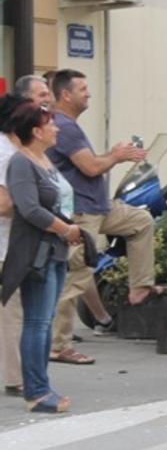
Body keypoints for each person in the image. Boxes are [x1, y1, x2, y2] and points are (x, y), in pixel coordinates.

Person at [48, 69, 159, 366]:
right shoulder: (64, 127)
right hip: (83, 213)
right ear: (65, 95)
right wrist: (117, 155)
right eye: (82, 89)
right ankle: (58, 345)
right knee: (77, 277)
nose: (88, 93)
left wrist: (113, 155)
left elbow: (90, 164)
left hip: (100, 207)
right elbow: (91, 168)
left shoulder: (70, 125)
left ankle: (140, 285)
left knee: (141, 221)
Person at [18, 76, 115, 337]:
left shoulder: (42, 152)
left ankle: (56, 346)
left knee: (75, 273)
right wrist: (65, 227)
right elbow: (29, 206)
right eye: (41, 96)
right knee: (36, 315)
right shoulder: (20, 155)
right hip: (59, 224)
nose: (48, 101)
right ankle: (57, 345)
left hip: (72, 219)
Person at [1, 102, 82, 412]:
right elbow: (29, 208)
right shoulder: (21, 163)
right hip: (37, 251)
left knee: (45, 321)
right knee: (36, 322)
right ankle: (35, 392)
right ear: (36, 131)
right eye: (51, 124)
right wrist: (65, 228)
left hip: (56, 250)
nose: (57, 128)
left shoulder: (44, 159)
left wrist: (69, 231)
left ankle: (43, 385)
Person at [0, 94, 27, 397]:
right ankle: (15, 376)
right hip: (7, 244)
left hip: (12, 244)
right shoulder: (6, 154)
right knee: (12, 313)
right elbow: (4, 205)